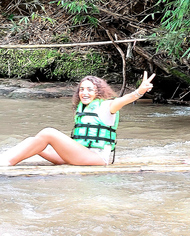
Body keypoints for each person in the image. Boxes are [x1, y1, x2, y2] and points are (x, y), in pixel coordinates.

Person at [0, 71, 155, 166]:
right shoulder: (84, 108)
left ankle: (6, 163)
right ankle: (4, 160)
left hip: (97, 158)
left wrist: (139, 92)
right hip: (79, 155)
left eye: (89, 89)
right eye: (81, 89)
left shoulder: (108, 106)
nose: (84, 93)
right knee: (31, 142)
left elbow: (124, 100)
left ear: (98, 91)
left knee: (48, 132)